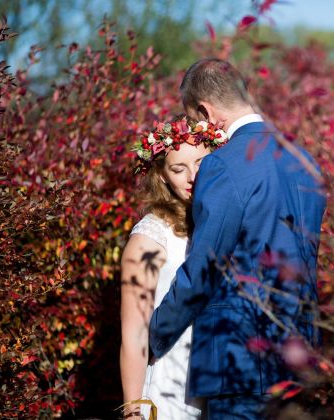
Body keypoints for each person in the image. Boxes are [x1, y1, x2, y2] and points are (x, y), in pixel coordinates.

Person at [149, 58, 326, 419]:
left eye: (198, 123)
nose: (202, 135)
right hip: (299, 355)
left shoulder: (224, 165)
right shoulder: (305, 160)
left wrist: (153, 334)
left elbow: (205, 268)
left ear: (205, 110)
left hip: (240, 358)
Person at [120, 117, 227, 419]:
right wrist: (132, 410)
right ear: (163, 177)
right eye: (179, 169)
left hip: (219, 384)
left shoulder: (219, 225)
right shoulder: (148, 240)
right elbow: (134, 333)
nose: (193, 176)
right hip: (169, 390)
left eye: (201, 163)